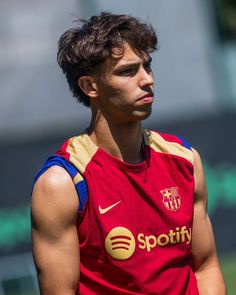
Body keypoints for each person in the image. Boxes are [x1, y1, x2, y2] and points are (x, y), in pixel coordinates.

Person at [31, 12, 226, 295]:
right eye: (127, 71)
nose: (147, 80)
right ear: (90, 86)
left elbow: (205, 266)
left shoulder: (184, 160)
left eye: (147, 66)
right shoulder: (62, 184)